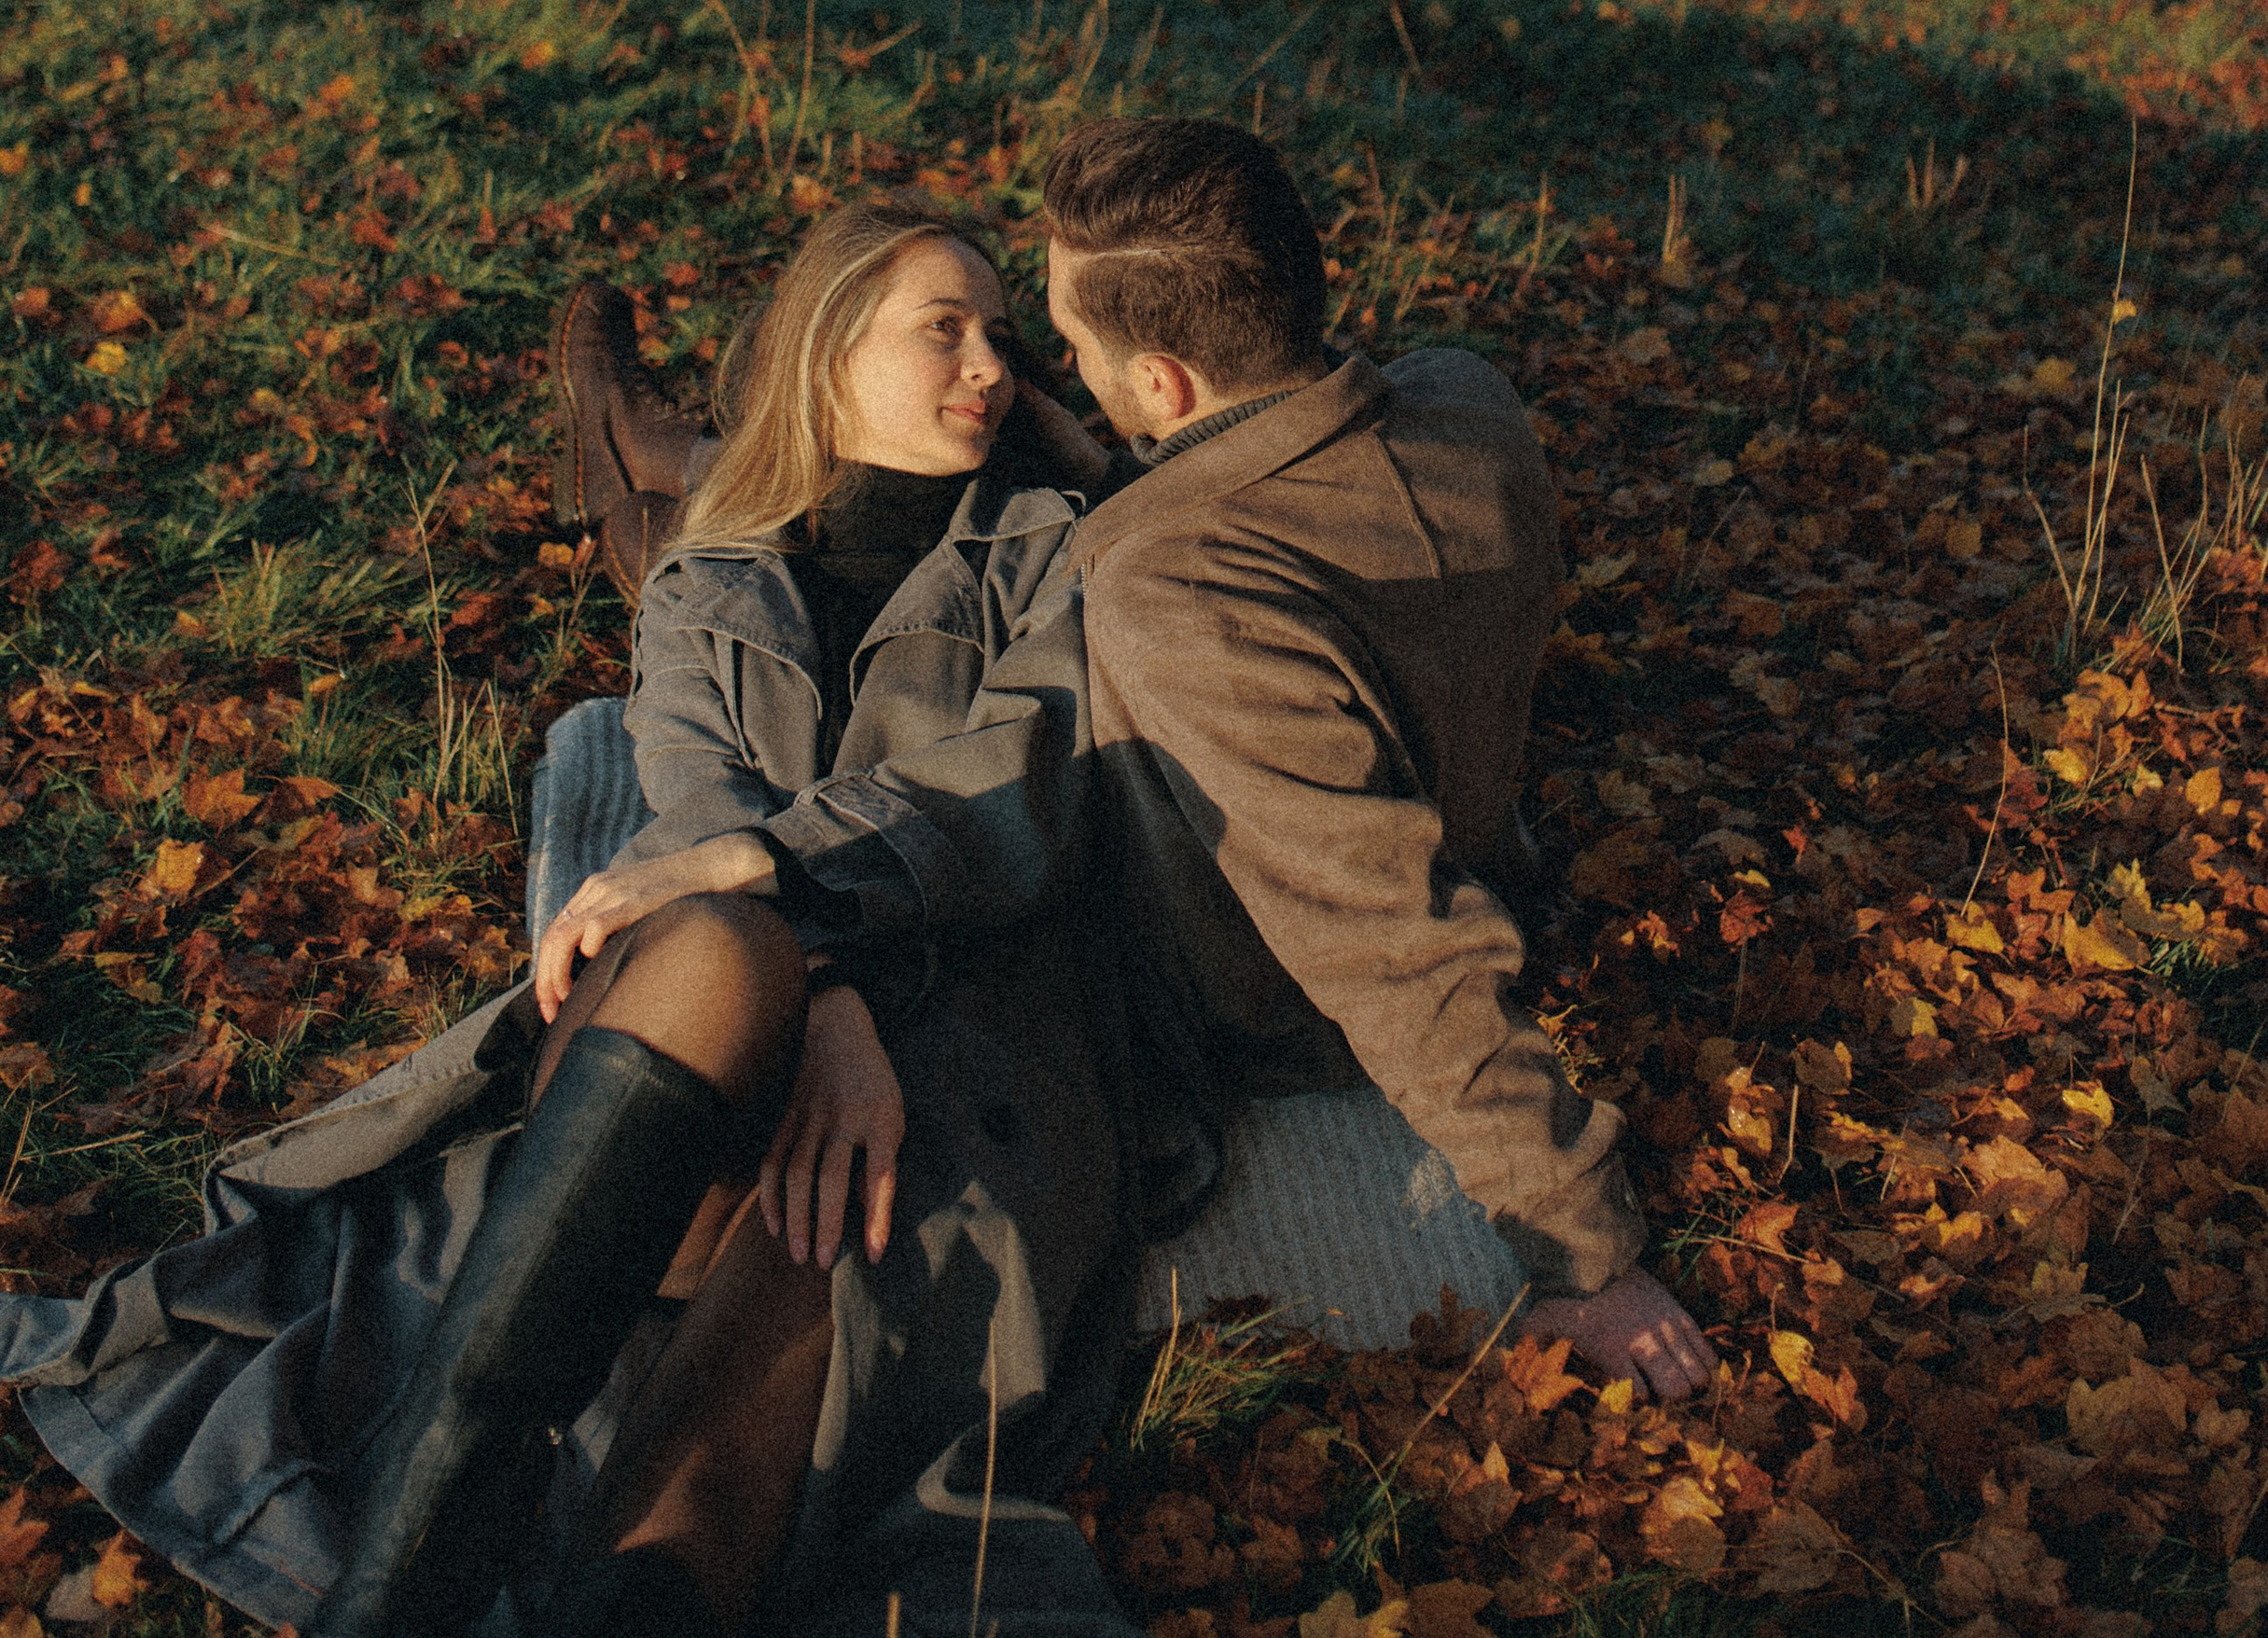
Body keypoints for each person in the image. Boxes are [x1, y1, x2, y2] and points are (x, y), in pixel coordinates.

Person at [0, 201, 1172, 1638]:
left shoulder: (1053, 546)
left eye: (1002, 337)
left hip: (959, 1044)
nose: (988, 366)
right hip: (733, 1026)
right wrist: (820, 995)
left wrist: (1059, 434)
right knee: (715, 947)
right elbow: (688, 797)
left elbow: (1013, 789)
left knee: (839, 1251)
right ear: (825, 364)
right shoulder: (713, 570)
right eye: (942, 332)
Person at [562, 118, 1714, 1406]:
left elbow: (1389, 935)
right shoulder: (1465, 398)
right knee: (736, 528)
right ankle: (658, 454)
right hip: (1400, 765)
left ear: (1162, 384)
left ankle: (650, 462)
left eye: (1050, 341)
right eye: (974, 332)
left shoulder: (1163, 598)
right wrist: (1107, 453)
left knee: (723, 538)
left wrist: (1583, 1244)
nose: (1015, 370)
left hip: (1212, 987)